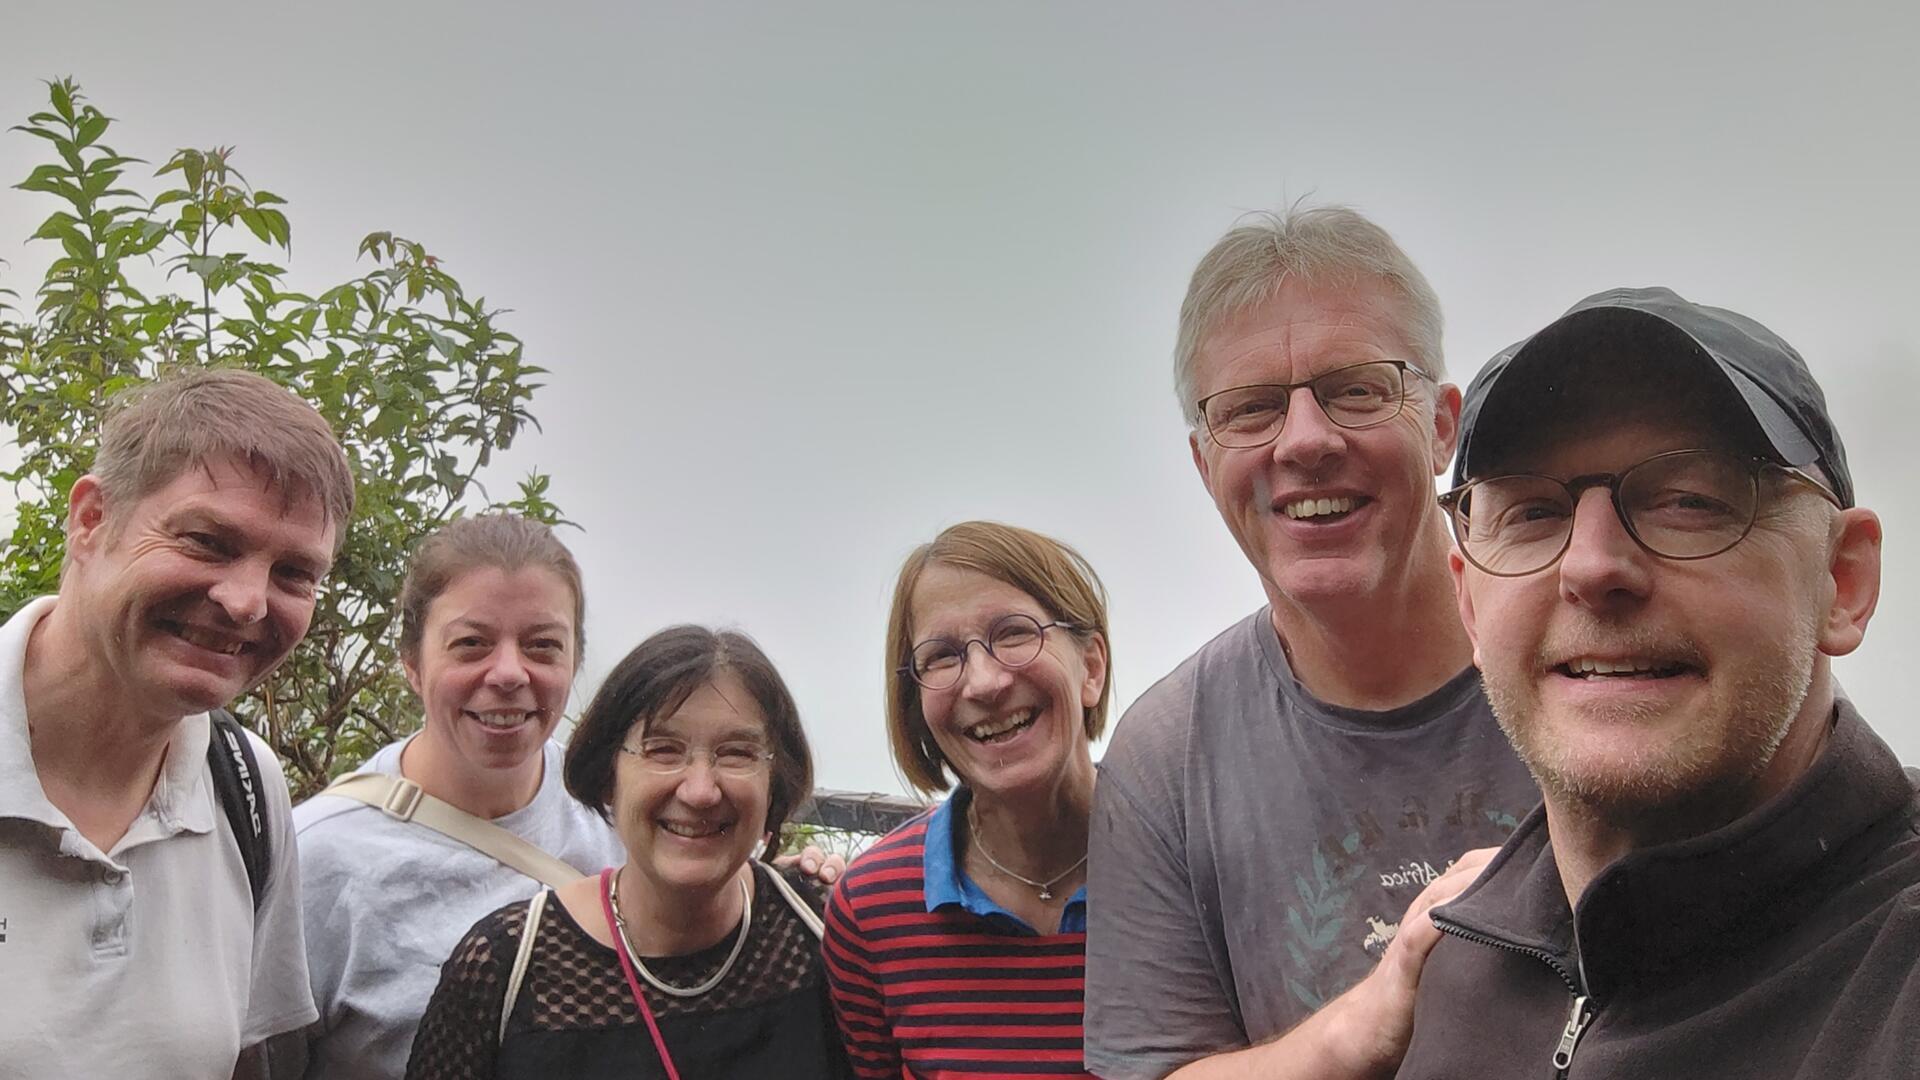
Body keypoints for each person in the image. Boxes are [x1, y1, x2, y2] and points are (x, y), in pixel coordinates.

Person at [1395, 287, 1916, 1075]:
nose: (1594, 565)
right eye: (1533, 512)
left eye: (1689, 501)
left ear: (1841, 581)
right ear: (1469, 603)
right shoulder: (1459, 966)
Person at [1084, 206, 1539, 1079]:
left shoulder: (1584, 652)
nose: (1304, 441)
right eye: (1249, 410)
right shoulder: (1163, 760)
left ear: (1443, 425)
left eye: (1357, 388)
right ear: (1202, 463)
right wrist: (1366, 1021)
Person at [0, 368, 353, 1076]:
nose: (248, 601)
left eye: (294, 573)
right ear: (91, 520)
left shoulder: (245, 786)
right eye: (207, 542)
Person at [406, 624, 848, 1079]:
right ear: (608, 773)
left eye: (736, 753)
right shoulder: (506, 970)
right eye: (662, 750)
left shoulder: (825, 933)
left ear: (775, 783)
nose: (700, 791)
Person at [291, 513, 627, 1079]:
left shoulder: (622, 814)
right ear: (412, 663)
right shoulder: (317, 860)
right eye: (471, 644)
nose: (509, 672)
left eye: (543, 646)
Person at [825, 520, 1111, 1078]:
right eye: (942, 656)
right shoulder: (872, 910)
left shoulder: (1189, 860)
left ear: (1091, 668)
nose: (982, 683)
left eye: (1013, 633)